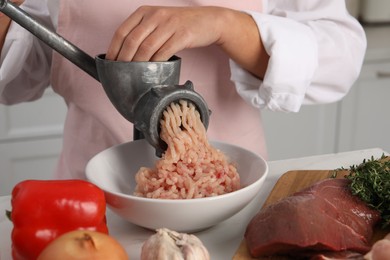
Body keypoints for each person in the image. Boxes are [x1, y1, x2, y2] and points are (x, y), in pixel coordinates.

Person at [0, 0, 366, 179]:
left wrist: (226, 24)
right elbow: (17, 74)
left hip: (223, 196)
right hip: (87, 202)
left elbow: (341, 54)